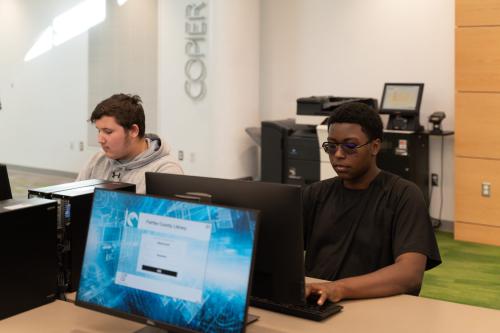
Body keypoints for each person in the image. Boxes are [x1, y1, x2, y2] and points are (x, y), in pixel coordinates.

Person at [303, 102, 441, 305]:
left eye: (350, 146)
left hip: (376, 305)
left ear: (374, 147)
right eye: (331, 146)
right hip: (320, 302)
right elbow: (280, 251)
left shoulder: (403, 195)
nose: (338, 154)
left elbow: (410, 274)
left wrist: (339, 288)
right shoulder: (315, 194)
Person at [77, 93, 183, 193]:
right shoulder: (97, 160)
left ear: (133, 131)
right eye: (99, 130)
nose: (100, 139)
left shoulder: (165, 170)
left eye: (108, 132)